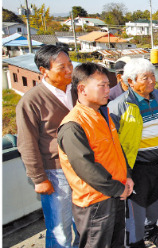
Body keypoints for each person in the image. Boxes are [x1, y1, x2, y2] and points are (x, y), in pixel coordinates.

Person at [57, 62, 133, 247]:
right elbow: (86, 168)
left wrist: (128, 175)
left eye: (109, 85)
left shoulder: (101, 114)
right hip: (95, 203)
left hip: (115, 193)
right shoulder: (73, 125)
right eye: (102, 85)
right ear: (82, 88)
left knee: (117, 243)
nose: (109, 90)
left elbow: (117, 149)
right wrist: (117, 188)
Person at [16, 44, 79, 247]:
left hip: (81, 167)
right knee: (59, 230)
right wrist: (38, 178)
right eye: (62, 67)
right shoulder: (32, 100)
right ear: (44, 71)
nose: (69, 70)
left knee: (83, 223)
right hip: (56, 172)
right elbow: (27, 143)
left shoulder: (77, 91)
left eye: (70, 64)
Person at [108, 58, 158, 248]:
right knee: (136, 210)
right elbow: (114, 142)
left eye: (153, 76)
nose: (152, 81)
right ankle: (136, 243)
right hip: (136, 167)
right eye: (145, 78)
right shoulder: (119, 106)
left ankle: (151, 233)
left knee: (155, 203)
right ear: (130, 81)